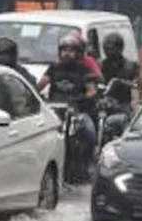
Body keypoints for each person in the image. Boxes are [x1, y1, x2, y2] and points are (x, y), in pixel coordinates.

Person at [37, 33, 100, 172]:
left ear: (77, 53)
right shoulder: (53, 68)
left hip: (77, 111)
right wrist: (34, 94)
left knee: (89, 132)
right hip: (54, 112)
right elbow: (41, 84)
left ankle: (88, 163)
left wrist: (85, 98)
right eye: (64, 50)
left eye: (71, 50)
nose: (67, 54)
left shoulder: (84, 70)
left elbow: (92, 90)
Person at [100, 32, 139, 107]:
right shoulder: (101, 65)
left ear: (119, 49)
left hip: (124, 105)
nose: (108, 52)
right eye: (106, 49)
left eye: (111, 49)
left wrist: (120, 82)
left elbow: (137, 85)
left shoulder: (130, 66)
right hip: (106, 104)